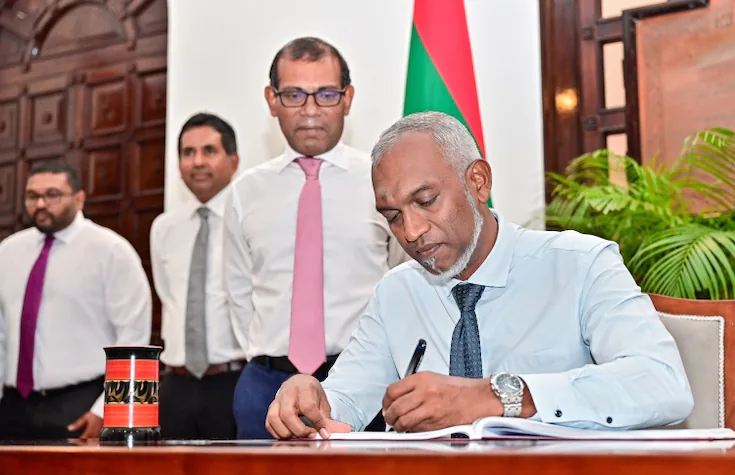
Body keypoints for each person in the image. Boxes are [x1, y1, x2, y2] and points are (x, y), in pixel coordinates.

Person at [264, 111, 694, 439]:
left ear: (478, 181)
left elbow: (663, 383)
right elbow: (343, 402)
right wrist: (308, 399)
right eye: (393, 216)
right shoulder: (398, 291)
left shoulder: (579, 264)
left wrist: (498, 396)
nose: (410, 231)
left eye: (426, 201)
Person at [224, 36, 407, 439]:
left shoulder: (382, 181)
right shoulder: (245, 192)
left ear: (348, 99)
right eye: (294, 95)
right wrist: (271, 355)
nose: (310, 110)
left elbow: (402, 278)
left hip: (361, 384)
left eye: (326, 94)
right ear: (272, 100)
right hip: (265, 388)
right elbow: (238, 291)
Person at [0, 161, 152, 440]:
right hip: (13, 407)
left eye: (52, 195)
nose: (41, 204)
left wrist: (107, 409)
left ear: (79, 198)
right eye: (33, 196)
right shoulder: (8, 252)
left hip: (82, 405)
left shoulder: (111, 251)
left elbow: (134, 337)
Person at [150, 112, 244, 439]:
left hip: (234, 382)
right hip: (176, 386)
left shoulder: (250, 220)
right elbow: (168, 295)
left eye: (209, 151)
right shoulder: (164, 227)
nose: (198, 162)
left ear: (234, 161)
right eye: (188, 153)